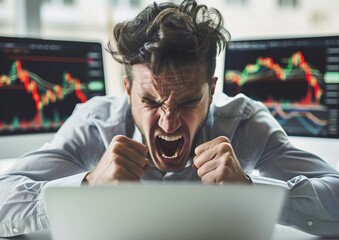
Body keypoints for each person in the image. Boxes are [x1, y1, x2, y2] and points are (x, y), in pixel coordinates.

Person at [0, 0, 339, 237]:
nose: (168, 123)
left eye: (189, 101)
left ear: (212, 89)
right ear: (127, 89)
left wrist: (254, 191)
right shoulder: (94, 124)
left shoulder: (245, 122)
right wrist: (85, 187)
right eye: (150, 101)